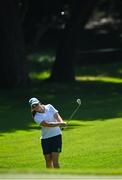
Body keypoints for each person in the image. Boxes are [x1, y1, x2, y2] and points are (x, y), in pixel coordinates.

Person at [29, 97, 67, 168]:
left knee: (55, 160)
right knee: (48, 161)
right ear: (32, 108)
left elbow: (57, 115)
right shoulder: (36, 116)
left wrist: (61, 122)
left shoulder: (49, 106)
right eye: (33, 106)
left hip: (56, 136)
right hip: (45, 139)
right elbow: (48, 124)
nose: (35, 107)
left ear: (39, 103)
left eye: (36, 104)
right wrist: (60, 124)